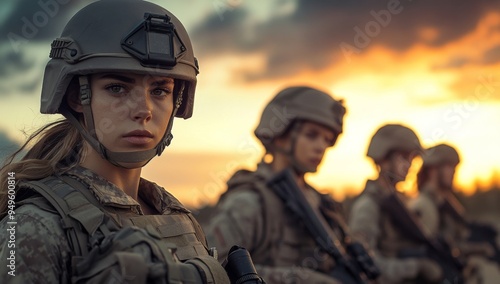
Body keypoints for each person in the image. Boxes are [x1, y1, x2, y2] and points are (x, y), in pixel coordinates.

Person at [0, 1, 230, 283]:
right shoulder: (34, 225)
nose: (143, 110)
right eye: (117, 88)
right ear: (78, 98)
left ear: (177, 101)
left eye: (159, 90)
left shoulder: (177, 215)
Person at [204, 86, 374, 283]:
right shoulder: (250, 202)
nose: (321, 147)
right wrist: (301, 279)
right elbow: (214, 270)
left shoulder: (323, 205)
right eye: (311, 135)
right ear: (280, 135)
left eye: (327, 140)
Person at [348, 124, 448, 284]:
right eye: (403, 157)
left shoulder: (402, 203)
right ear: (383, 159)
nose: (409, 165)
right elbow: (363, 263)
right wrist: (415, 267)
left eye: (412, 159)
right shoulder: (368, 207)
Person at [410, 143, 500, 283]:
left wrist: (479, 248)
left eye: (454, 167)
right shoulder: (425, 205)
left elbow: (455, 239)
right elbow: (430, 252)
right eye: (448, 167)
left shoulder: (445, 202)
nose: (454, 172)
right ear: (433, 170)